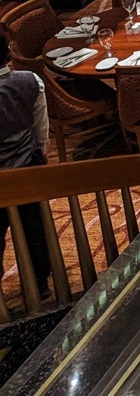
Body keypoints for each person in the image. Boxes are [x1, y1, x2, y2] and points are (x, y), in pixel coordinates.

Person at [0, 37, 55, 296]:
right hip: (25, 169)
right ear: (9, 51)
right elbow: (41, 128)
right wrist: (41, 156)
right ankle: (41, 283)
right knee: (34, 228)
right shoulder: (30, 81)